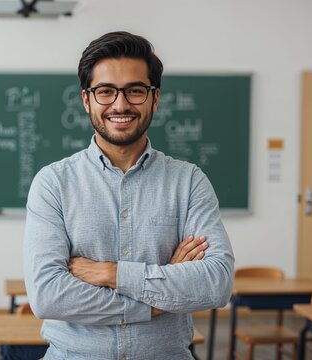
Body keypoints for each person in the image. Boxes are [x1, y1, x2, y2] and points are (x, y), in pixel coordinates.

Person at [23, 31, 234, 360]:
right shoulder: (53, 183)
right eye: (106, 91)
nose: (120, 105)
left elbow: (215, 282)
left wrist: (111, 273)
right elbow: (49, 295)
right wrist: (155, 302)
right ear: (86, 99)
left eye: (135, 91)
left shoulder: (189, 181)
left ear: (155, 98)